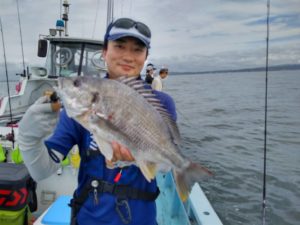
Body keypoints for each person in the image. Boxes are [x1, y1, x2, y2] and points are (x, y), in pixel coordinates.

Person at [18, 17, 177, 225]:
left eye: (137, 50)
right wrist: (29, 138)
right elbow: (42, 171)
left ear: (146, 56)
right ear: (104, 52)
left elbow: (166, 165)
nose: (128, 56)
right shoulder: (80, 105)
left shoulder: (161, 103)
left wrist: (139, 158)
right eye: (119, 46)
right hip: (89, 219)